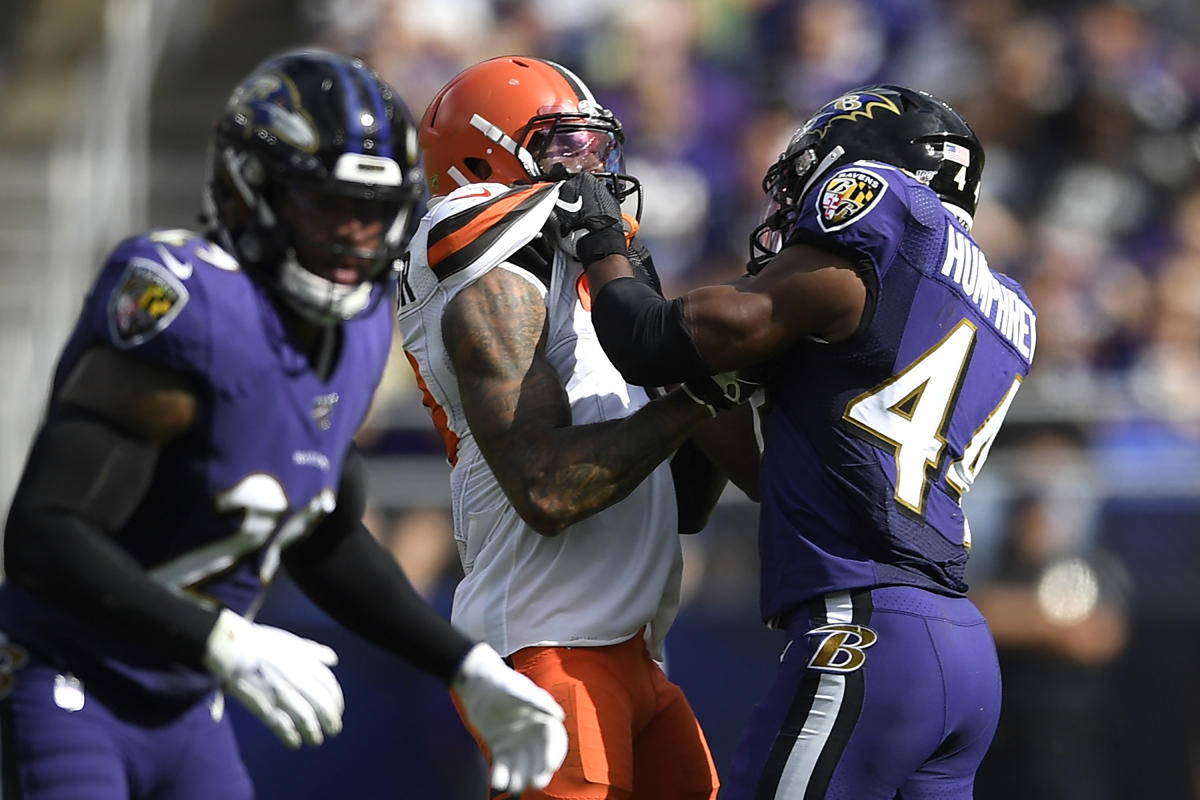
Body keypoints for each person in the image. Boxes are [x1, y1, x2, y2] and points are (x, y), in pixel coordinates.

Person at [0, 48, 566, 800]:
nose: (353, 237)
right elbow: (45, 535)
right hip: (63, 679)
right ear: (251, 192)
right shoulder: (190, 309)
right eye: (326, 206)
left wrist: (463, 664)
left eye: (373, 214)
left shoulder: (361, 327)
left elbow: (320, 531)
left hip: (183, 707)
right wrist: (221, 638)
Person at [567, 85, 1038, 798]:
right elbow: (775, 470)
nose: (788, 210)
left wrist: (604, 244)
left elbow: (649, 342)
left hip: (866, 629)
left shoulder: (882, 210)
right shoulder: (1002, 302)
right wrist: (697, 390)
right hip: (959, 644)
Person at [397, 55, 735, 799]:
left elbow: (687, 502)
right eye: (562, 148)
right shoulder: (479, 267)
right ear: (487, 156)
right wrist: (699, 398)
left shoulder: (582, 283)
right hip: (547, 644)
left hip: (634, 649)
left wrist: (719, 378)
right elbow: (549, 491)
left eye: (594, 147)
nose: (590, 170)